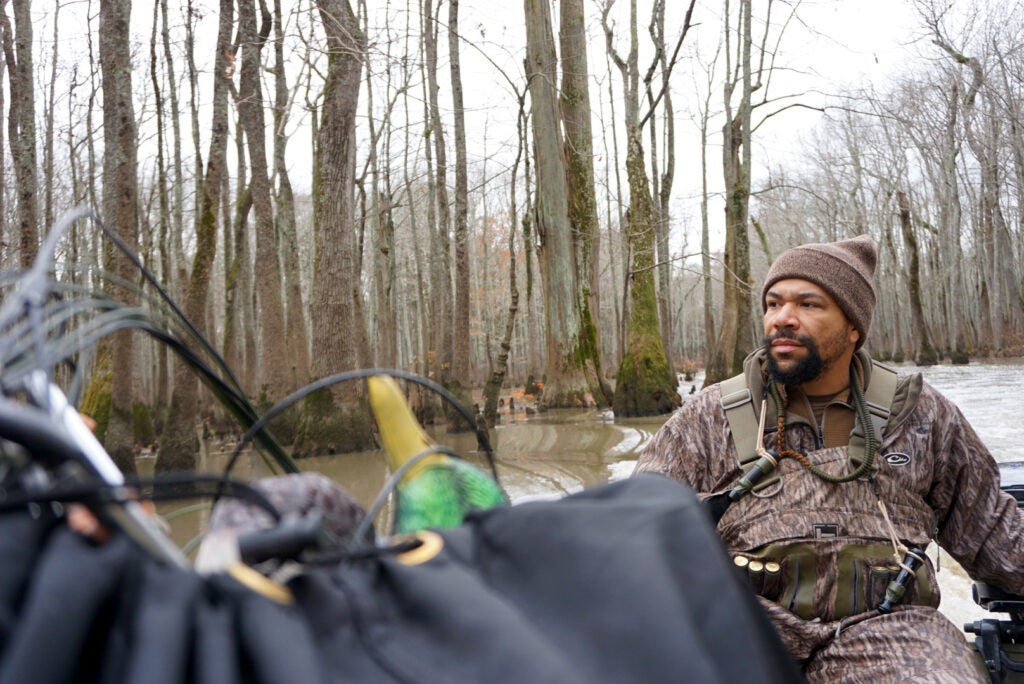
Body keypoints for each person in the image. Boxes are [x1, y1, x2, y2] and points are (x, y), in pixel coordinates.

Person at [634, 235, 1024, 682]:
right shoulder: (706, 417)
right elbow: (638, 530)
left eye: (808, 305)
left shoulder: (922, 415)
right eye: (774, 303)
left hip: (889, 631)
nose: (783, 319)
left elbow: (995, 536)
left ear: (854, 326)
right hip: (742, 630)